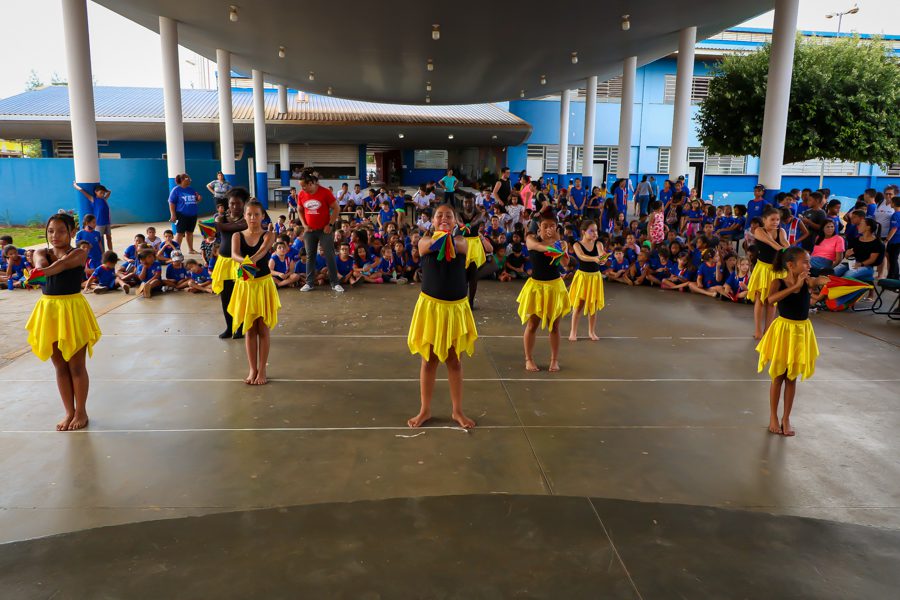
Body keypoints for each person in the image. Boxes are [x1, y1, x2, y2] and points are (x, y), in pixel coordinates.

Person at [25, 213, 102, 431]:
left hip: (72, 309)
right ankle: (69, 411)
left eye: (60, 231)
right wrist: (37, 269)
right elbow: (40, 261)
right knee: (59, 365)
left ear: (72, 232)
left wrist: (40, 273)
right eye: (50, 231)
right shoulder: (41, 252)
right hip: (48, 310)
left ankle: (81, 412)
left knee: (76, 365)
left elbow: (60, 266)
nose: (55, 235)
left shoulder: (78, 253)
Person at [406, 204, 477, 429]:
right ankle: (424, 410)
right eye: (439, 215)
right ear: (432, 221)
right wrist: (440, 235)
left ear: (456, 222)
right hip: (432, 308)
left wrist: (450, 234)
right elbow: (429, 246)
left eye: (449, 216)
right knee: (429, 360)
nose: (444, 218)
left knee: (454, 361)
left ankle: (457, 411)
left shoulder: (461, 242)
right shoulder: (424, 241)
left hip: (455, 309)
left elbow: (456, 246)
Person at [756, 246, 821, 437]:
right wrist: (795, 286)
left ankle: (786, 418)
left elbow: (814, 290)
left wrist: (822, 285)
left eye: (809, 261)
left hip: (801, 332)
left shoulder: (809, 281)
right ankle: (773, 417)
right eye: (805, 262)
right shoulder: (778, 281)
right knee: (778, 376)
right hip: (784, 331)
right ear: (791, 265)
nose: (809, 265)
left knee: (791, 377)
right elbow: (770, 300)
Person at [228, 200, 279, 385]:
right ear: (244, 216)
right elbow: (234, 255)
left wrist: (247, 263)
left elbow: (263, 251)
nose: (253, 218)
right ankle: (252, 369)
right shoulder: (237, 236)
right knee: (249, 329)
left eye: (256, 214)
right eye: (249, 214)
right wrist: (245, 263)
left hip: (263, 285)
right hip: (246, 285)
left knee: (263, 328)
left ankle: (263, 369)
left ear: (262, 216)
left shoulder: (269, 235)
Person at [518, 211, 571, 372]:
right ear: (539, 227)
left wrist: (557, 244)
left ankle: (554, 360)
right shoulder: (531, 239)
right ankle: (529, 359)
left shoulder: (560, 243)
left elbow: (565, 263)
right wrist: (551, 244)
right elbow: (537, 247)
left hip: (555, 286)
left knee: (554, 326)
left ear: (557, 227)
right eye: (545, 225)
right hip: (537, 287)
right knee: (532, 324)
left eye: (552, 226)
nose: (548, 228)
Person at [297, 169, 343, 292]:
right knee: (310, 256)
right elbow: (299, 209)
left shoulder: (325, 192)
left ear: (311, 183)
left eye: (304, 186)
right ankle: (309, 283)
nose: (302, 188)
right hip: (309, 231)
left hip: (325, 230)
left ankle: (335, 283)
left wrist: (330, 224)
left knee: (330, 255)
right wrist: (304, 225)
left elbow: (336, 208)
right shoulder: (301, 194)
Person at [748, 206, 789, 340]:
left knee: (772, 301)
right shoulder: (759, 230)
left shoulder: (781, 231)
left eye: (778, 220)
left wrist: (791, 251)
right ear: (764, 220)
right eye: (772, 220)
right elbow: (771, 243)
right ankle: (757, 330)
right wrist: (784, 251)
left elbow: (785, 244)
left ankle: (768, 330)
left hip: (777, 270)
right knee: (760, 299)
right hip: (763, 269)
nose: (776, 222)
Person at [211, 188, 248, 339]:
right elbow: (213, 229)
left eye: (238, 204)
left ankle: (241, 328)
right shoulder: (222, 218)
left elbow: (233, 227)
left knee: (241, 296)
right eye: (232, 203)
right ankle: (229, 327)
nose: (235, 207)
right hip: (224, 263)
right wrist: (216, 224)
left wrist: (216, 225)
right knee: (225, 297)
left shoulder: (246, 220)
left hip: (241, 263)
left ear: (244, 204)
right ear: (228, 203)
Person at [568, 220, 606, 341]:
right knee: (578, 305)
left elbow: (601, 254)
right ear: (584, 232)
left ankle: (591, 331)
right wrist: (595, 258)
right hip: (583, 277)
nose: (595, 233)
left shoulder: (599, 243)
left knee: (593, 307)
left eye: (596, 230)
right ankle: (573, 332)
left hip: (595, 277)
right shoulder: (576, 244)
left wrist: (603, 258)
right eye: (591, 231)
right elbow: (581, 256)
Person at [458, 193, 491, 308]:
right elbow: (458, 221)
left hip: (474, 244)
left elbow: (475, 222)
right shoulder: (459, 213)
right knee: (462, 275)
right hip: (462, 243)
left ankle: (471, 301)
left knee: (473, 276)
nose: (468, 204)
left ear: (474, 202)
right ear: (463, 203)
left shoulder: (479, 214)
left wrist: (467, 225)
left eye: (470, 202)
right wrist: (462, 224)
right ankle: (462, 299)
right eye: (466, 202)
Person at [73, 182, 113, 252]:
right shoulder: (93, 199)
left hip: (107, 222)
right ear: (95, 192)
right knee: (99, 240)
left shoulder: (104, 199)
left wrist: (105, 190)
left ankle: (111, 253)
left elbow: (109, 192)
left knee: (109, 238)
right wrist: (76, 186)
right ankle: (102, 254)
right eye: (101, 193)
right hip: (99, 223)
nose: (102, 194)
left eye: (103, 193)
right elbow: (83, 191)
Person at [167, 173, 202, 254]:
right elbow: (171, 202)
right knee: (180, 233)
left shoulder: (191, 189)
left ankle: (191, 249)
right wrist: (173, 214)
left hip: (192, 214)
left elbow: (194, 201)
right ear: (182, 180)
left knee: (190, 232)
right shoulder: (176, 190)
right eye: (188, 178)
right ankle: (176, 251)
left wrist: (199, 199)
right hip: (181, 214)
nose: (190, 180)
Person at [886, 194, 900, 280]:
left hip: (895, 240)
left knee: (892, 259)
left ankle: (891, 277)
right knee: (894, 258)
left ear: (894, 204)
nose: (890, 203)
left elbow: (894, 228)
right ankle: (895, 276)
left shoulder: (895, 215)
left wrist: (887, 239)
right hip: (898, 240)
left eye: (891, 202)